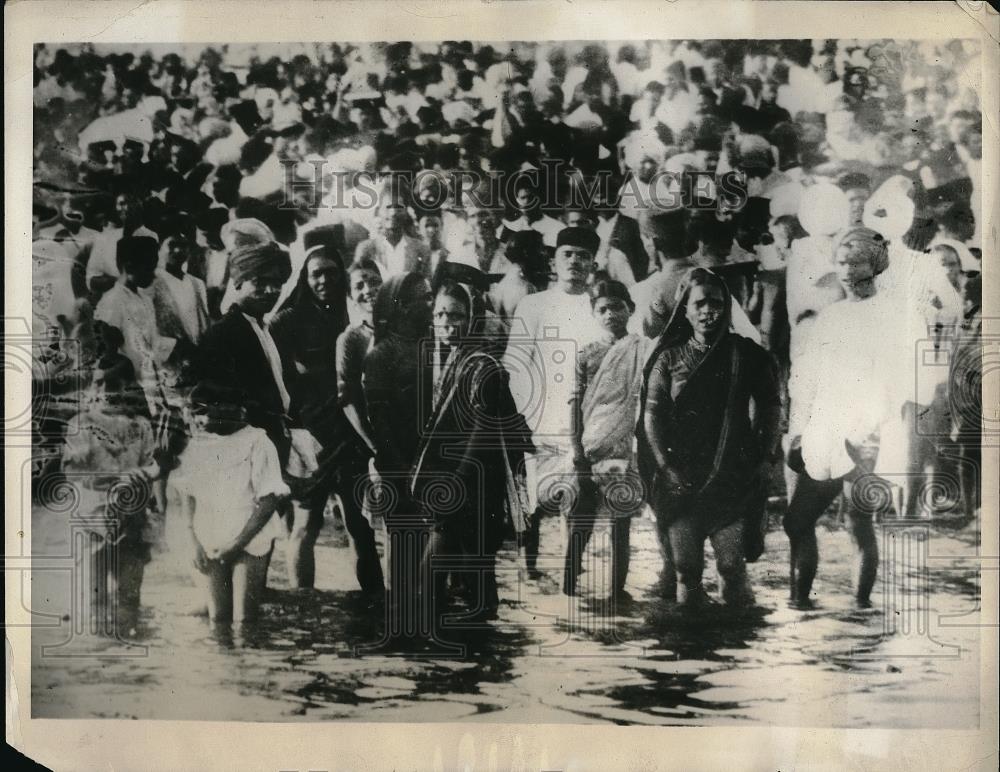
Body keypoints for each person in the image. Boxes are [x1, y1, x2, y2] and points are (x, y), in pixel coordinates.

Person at [638, 269, 781, 608]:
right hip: (680, 474)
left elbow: (771, 407)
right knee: (686, 569)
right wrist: (665, 466)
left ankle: (737, 641)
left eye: (716, 304)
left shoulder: (746, 354)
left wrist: (766, 457)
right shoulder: (667, 358)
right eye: (698, 304)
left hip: (730, 472)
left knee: (731, 566)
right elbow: (652, 416)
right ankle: (689, 647)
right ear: (684, 310)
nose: (707, 311)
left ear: (727, 309)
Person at [410, 280, 533, 629]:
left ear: (472, 319)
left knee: (438, 578)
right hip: (459, 481)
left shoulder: (483, 366)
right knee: (473, 571)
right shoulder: (453, 361)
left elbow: (481, 433)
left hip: (474, 482)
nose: (447, 323)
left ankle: (463, 652)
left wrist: (454, 482)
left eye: (456, 315)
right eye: (439, 314)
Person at [783, 227, 895, 609]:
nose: (847, 270)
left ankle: (860, 609)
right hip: (827, 430)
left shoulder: (889, 315)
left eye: (857, 261)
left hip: (867, 434)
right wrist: (799, 431)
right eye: (842, 262)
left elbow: (891, 381)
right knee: (797, 521)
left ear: (875, 265)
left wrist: (868, 434)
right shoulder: (830, 316)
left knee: (858, 522)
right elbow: (811, 378)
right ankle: (800, 607)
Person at [269, 244, 383, 595]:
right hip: (308, 434)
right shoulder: (285, 322)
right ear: (305, 278)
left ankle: (374, 604)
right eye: (316, 273)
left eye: (331, 272)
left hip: (348, 433)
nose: (324, 280)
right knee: (306, 521)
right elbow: (278, 381)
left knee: (359, 523)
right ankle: (303, 601)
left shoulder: (352, 317)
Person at [502, 226, 602, 579]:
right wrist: (523, 419)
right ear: (554, 261)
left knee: (582, 503)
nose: (575, 261)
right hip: (540, 417)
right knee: (536, 503)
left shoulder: (599, 308)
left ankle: (570, 576)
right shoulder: (533, 304)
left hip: (588, 423)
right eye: (568, 254)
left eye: (583, 255)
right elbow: (516, 364)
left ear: (594, 263)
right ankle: (531, 572)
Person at [173, 382, 288, 625]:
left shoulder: (258, 441)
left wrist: (237, 545)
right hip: (210, 533)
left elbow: (269, 500)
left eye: (206, 411)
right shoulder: (197, 445)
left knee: (244, 620)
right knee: (218, 619)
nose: (201, 420)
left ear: (231, 408)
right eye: (197, 413)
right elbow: (187, 492)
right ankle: (220, 663)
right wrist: (191, 539)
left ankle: (247, 661)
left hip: (250, 536)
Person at [61, 355, 158, 636]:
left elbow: (149, 469)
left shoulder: (141, 426)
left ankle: (128, 654)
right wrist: (119, 479)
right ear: (91, 388)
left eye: (114, 384)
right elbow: (72, 473)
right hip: (92, 519)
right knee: (96, 598)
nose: (105, 391)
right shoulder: (82, 424)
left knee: (130, 597)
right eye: (99, 383)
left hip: (133, 518)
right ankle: (102, 653)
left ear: (130, 387)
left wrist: (145, 482)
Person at [565, 280, 649, 600]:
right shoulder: (586, 354)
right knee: (581, 519)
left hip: (626, 446)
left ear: (630, 309)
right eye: (602, 309)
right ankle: (568, 588)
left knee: (620, 522)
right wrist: (576, 452)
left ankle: (617, 591)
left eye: (617, 306)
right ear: (593, 314)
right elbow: (575, 403)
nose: (610, 314)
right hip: (590, 446)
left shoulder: (642, 349)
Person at [364, 272, 435, 635]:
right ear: (402, 306)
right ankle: (398, 617)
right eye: (423, 298)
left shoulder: (432, 345)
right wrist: (401, 465)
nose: (430, 303)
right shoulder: (382, 353)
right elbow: (379, 419)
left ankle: (420, 619)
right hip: (398, 461)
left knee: (427, 541)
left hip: (430, 459)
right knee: (399, 540)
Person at [198, 240, 295, 465]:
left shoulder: (267, 328)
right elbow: (223, 401)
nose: (271, 291)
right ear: (239, 283)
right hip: (246, 450)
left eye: (277, 283)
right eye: (260, 282)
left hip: (276, 440)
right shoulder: (223, 334)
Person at [94, 235, 176, 418]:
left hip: (152, 384)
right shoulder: (112, 302)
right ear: (129, 267)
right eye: (149, 268)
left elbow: (152, 343)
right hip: (130, 391)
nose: (153, 274)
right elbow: (109, 355)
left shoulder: (144, 299)